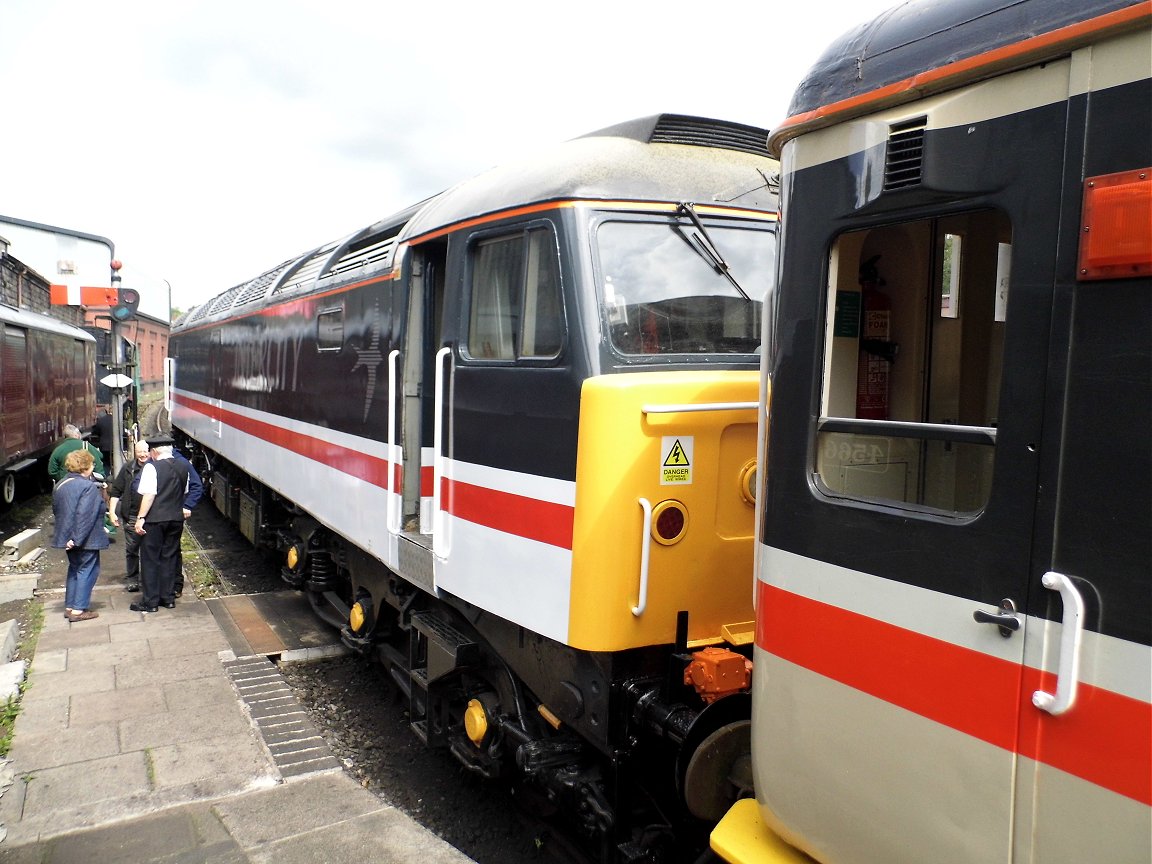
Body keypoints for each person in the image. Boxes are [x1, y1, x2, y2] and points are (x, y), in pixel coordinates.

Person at [131, 434, 190, 613]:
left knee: (150, 559)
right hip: (176, 518)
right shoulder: (184, 466)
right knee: (169, 557)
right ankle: (168, 598)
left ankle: (150, 602)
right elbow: (184, 491)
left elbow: (149, 495)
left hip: (155, 520)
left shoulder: (151, 468)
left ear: (154, 451)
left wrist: (141, 518)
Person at [51, 448, 110, 621]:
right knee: (88, 570)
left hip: (67, 537)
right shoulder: (87, 487)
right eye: (91, 463)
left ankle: (70, 606)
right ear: (86, 466)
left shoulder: (60, 484)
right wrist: (76, 539)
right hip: (86, 538)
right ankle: (78, 610)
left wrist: (67, 537)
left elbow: (58, 511)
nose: (93, 466)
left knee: (74, 569)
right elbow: (85, 516)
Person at [107, 440, 152, 593]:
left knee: (150, 549)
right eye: (140, 452)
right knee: (132, 549)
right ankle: (132, 578)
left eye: (145, 451)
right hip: (132, 516)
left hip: (151, 517)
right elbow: (116, 491)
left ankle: (149, 579)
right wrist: (112, 511)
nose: (143, 455)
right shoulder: (128, 469)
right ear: (135, 452)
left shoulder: (155, 468)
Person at [170, 446, 203, 598]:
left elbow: (197, 486)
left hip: (173, 515)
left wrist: (187, 505)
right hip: (153, 517)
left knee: (172, 549)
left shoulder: (181, 463)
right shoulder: (149, 464)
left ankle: (174, 585)